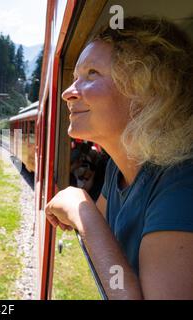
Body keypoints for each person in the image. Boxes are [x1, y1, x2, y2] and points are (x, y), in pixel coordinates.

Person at [45, 17, 193, 299]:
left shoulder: (183, 184)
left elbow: (91, 222)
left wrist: (82, 208)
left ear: (146, 91)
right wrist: (81, 212)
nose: (67, 93)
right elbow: (103, 233)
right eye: (76, 77)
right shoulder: (118, 169)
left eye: (91, 74)